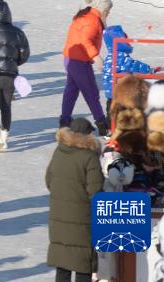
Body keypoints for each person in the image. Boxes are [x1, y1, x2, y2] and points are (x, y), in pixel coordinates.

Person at [45, 118, 102, 282]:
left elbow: (49, 180)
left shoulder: (59, 151)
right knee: (83, 265)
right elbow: (95, 192)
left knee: (62, 265)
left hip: (59, 217)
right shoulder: (89, 156)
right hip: (82, 219)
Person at [60, 0, 112, 135]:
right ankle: (102, 124)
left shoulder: (85, 16)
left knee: (71, 92)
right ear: (102, 8)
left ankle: (64, 122)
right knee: (91, 92)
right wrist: (96, 57)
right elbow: (85, 40)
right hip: (79, 61)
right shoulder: (92, 20)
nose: (109, 13)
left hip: (70, 58)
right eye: (108, 10)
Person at [0, 0, 30, 150]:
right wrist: (14, 63)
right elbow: (24, 54)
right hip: (10, 74)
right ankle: (5, 136)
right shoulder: (18, 32)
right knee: (6, 106)